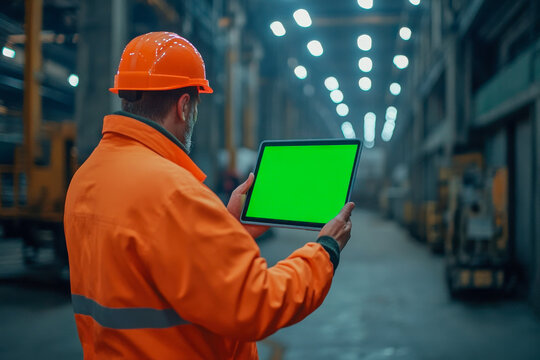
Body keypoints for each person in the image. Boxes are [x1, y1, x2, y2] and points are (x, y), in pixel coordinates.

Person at [64, 31, 355, 360]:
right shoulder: (175, 193)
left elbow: (153, 263)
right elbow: (258, 304)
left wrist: (227, 227)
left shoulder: (86, 178)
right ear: (184, 106)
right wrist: (325, 250)